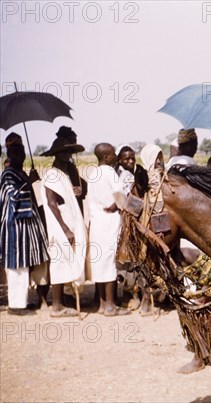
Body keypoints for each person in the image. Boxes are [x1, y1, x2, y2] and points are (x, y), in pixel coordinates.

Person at [40, 137, 87, 317]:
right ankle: (57, 306)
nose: (67, 155)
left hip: (68, 220)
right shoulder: (52, 174)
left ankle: (62, 302)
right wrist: (65, 228)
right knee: (59, 260)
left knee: (67, 260)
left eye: (69, 152)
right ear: (56, 154)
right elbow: (52, 204)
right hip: (59, 223)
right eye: (63, 152)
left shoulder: (64, 173)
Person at [0, 143, 50, 315]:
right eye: (15, 153)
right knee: (16, 266)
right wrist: (29, 181)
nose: (19, 156)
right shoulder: (8, 174)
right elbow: (13, 196)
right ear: (10, 155)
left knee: (23, 266)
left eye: (21, 153)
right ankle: (16, 306)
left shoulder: (19, 173)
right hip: (14, 226)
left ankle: (21, 302)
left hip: (24, 227)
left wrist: (29, 179)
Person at [88, 143, 130, 316]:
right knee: (110, 263)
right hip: (110, 221)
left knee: (100, 263)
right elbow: (120, 192)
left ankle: (102, 305)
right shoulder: (109, 172)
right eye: (113, 154)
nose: (115, 157)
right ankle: (112, 306)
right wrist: (117, 205)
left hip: (97, 222)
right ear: (106, 157)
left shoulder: (92, 174)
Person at [54, 126, 87, 214]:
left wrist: (82, 188)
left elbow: (77, 180)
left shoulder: (70, 162)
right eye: (72, 141)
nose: (74, 143)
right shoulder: (60, 166)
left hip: (76, 199)